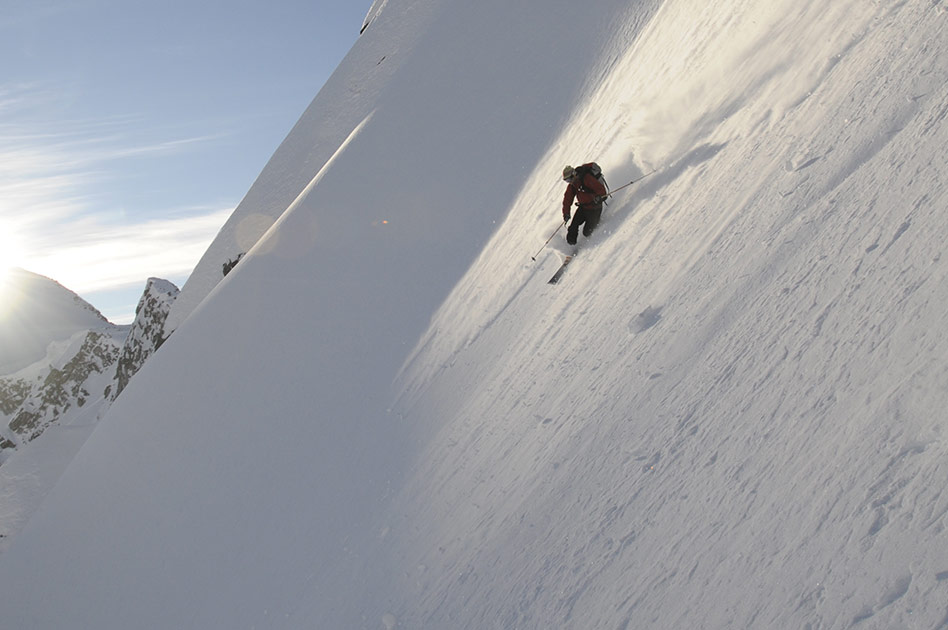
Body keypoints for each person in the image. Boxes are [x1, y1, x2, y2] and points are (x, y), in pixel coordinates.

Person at [561, 164, 608, 248]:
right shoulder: (572, 185)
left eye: (569, 179)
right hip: (583, 208)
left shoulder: (587, 178)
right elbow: (567, 200)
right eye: (567, 180)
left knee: (587, 232)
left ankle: (597, 222)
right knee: (572, 228)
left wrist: (599, 198)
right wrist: (566, 213)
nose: (569, 182)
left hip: (594, 208)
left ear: (574, 174)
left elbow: (602, 191)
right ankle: (569, 248)